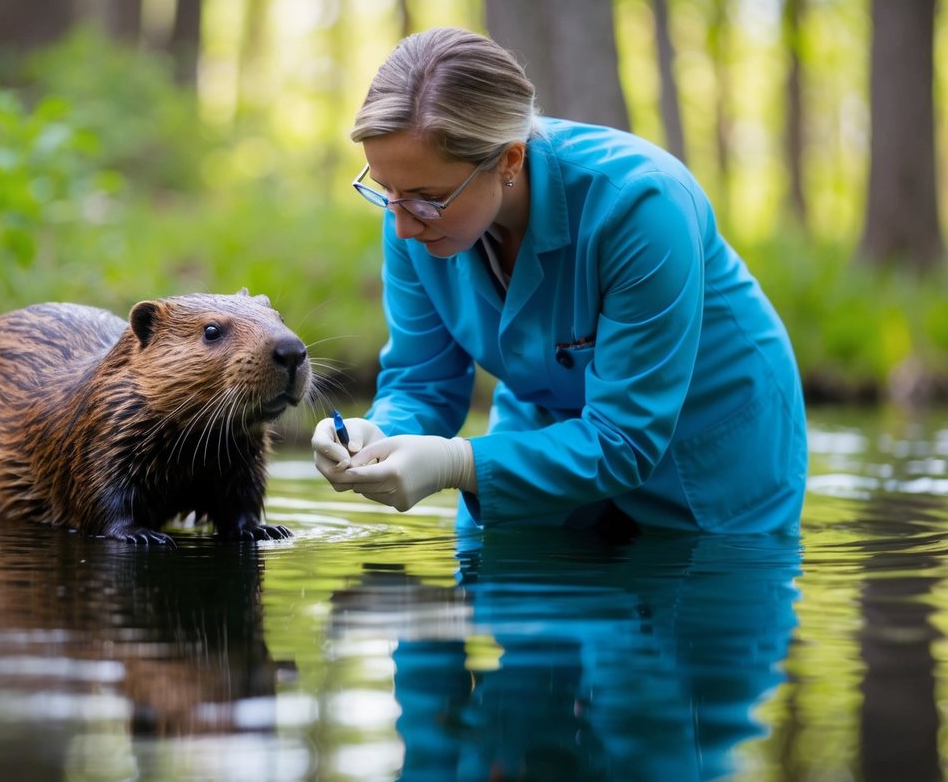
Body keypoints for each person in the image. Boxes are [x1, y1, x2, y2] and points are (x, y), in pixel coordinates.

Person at [312, 27, 807, 535]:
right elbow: (423, 382)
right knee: (504, 590)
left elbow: (625, 439)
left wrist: (457, 463)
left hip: (708, 447)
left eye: (426, 197)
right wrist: (375, 433)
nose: (401, 224)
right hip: (546, 425)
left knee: (699, 597)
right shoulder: (410, 215)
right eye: (384, 188)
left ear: (508, 160)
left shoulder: (641, 204)